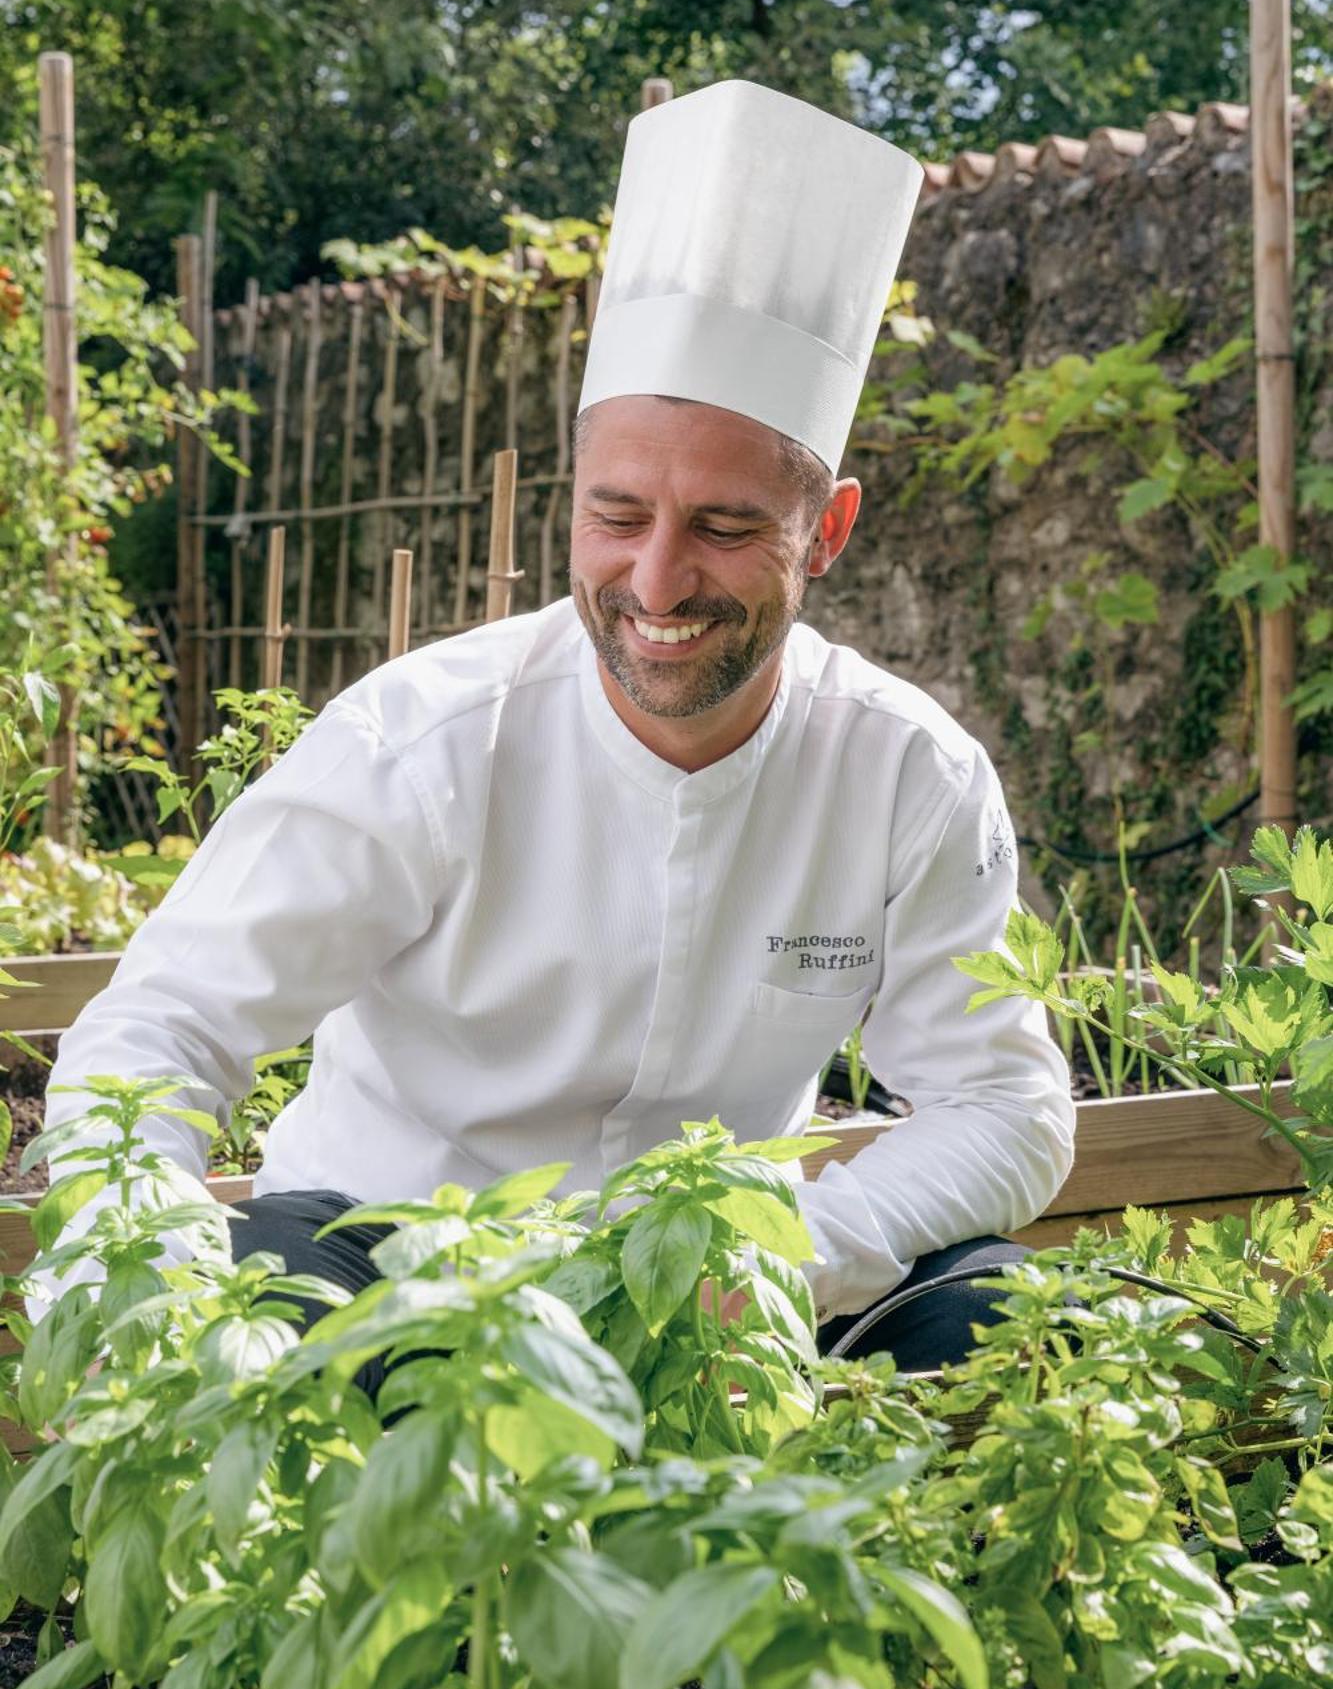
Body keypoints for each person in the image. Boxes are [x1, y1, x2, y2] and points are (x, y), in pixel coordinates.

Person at [37, 81, 1075, 1373]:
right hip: (394, 1268)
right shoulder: (421, 742)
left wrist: (797, 1254)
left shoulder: (905, 775)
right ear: (570, 501)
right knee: (299, 1310)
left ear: (829, 531)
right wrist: (155, 1264)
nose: (654, 584)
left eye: (725, 527)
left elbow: (1005, 1103)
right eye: (619, 515)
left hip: (716, 1303)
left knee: (1013, 1322)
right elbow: (162, 1024)